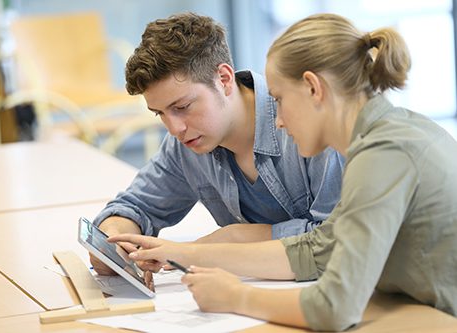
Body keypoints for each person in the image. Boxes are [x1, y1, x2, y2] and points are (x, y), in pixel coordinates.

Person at [107, 13, 457, 331]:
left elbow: (334, 306)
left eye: (280, 99)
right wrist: (186, 253)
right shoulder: (385, 136)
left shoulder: (382, 152)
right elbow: (321, 247)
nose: (277, 118)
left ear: (313, 88)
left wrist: (235, 297)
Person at [90, 13, 344, 274]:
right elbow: (134, 207)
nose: (175, 128)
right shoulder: (185, 142)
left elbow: (339, 242)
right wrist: (113, 242)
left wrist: (228, 242)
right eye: (160, 113)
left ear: (223, 79)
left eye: (182, 106)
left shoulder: (309, 121)